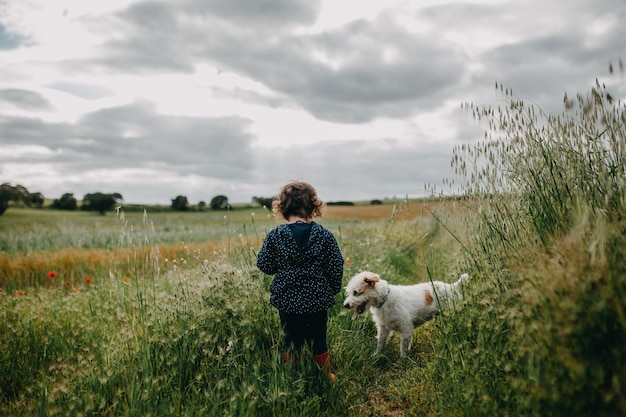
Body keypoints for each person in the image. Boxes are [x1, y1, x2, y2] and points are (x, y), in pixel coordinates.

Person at [257, 181, 344, 381]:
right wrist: (331, 289)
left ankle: (292, 375)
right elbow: (336, 266)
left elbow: (264, 264)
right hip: (318, 299)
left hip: (287, 299)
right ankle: (324, 375)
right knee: (319, 338)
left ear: (282, 207)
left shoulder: (276, 235)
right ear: (314, 207)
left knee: (290, 339)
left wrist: (282, 268)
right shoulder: (324, 235)